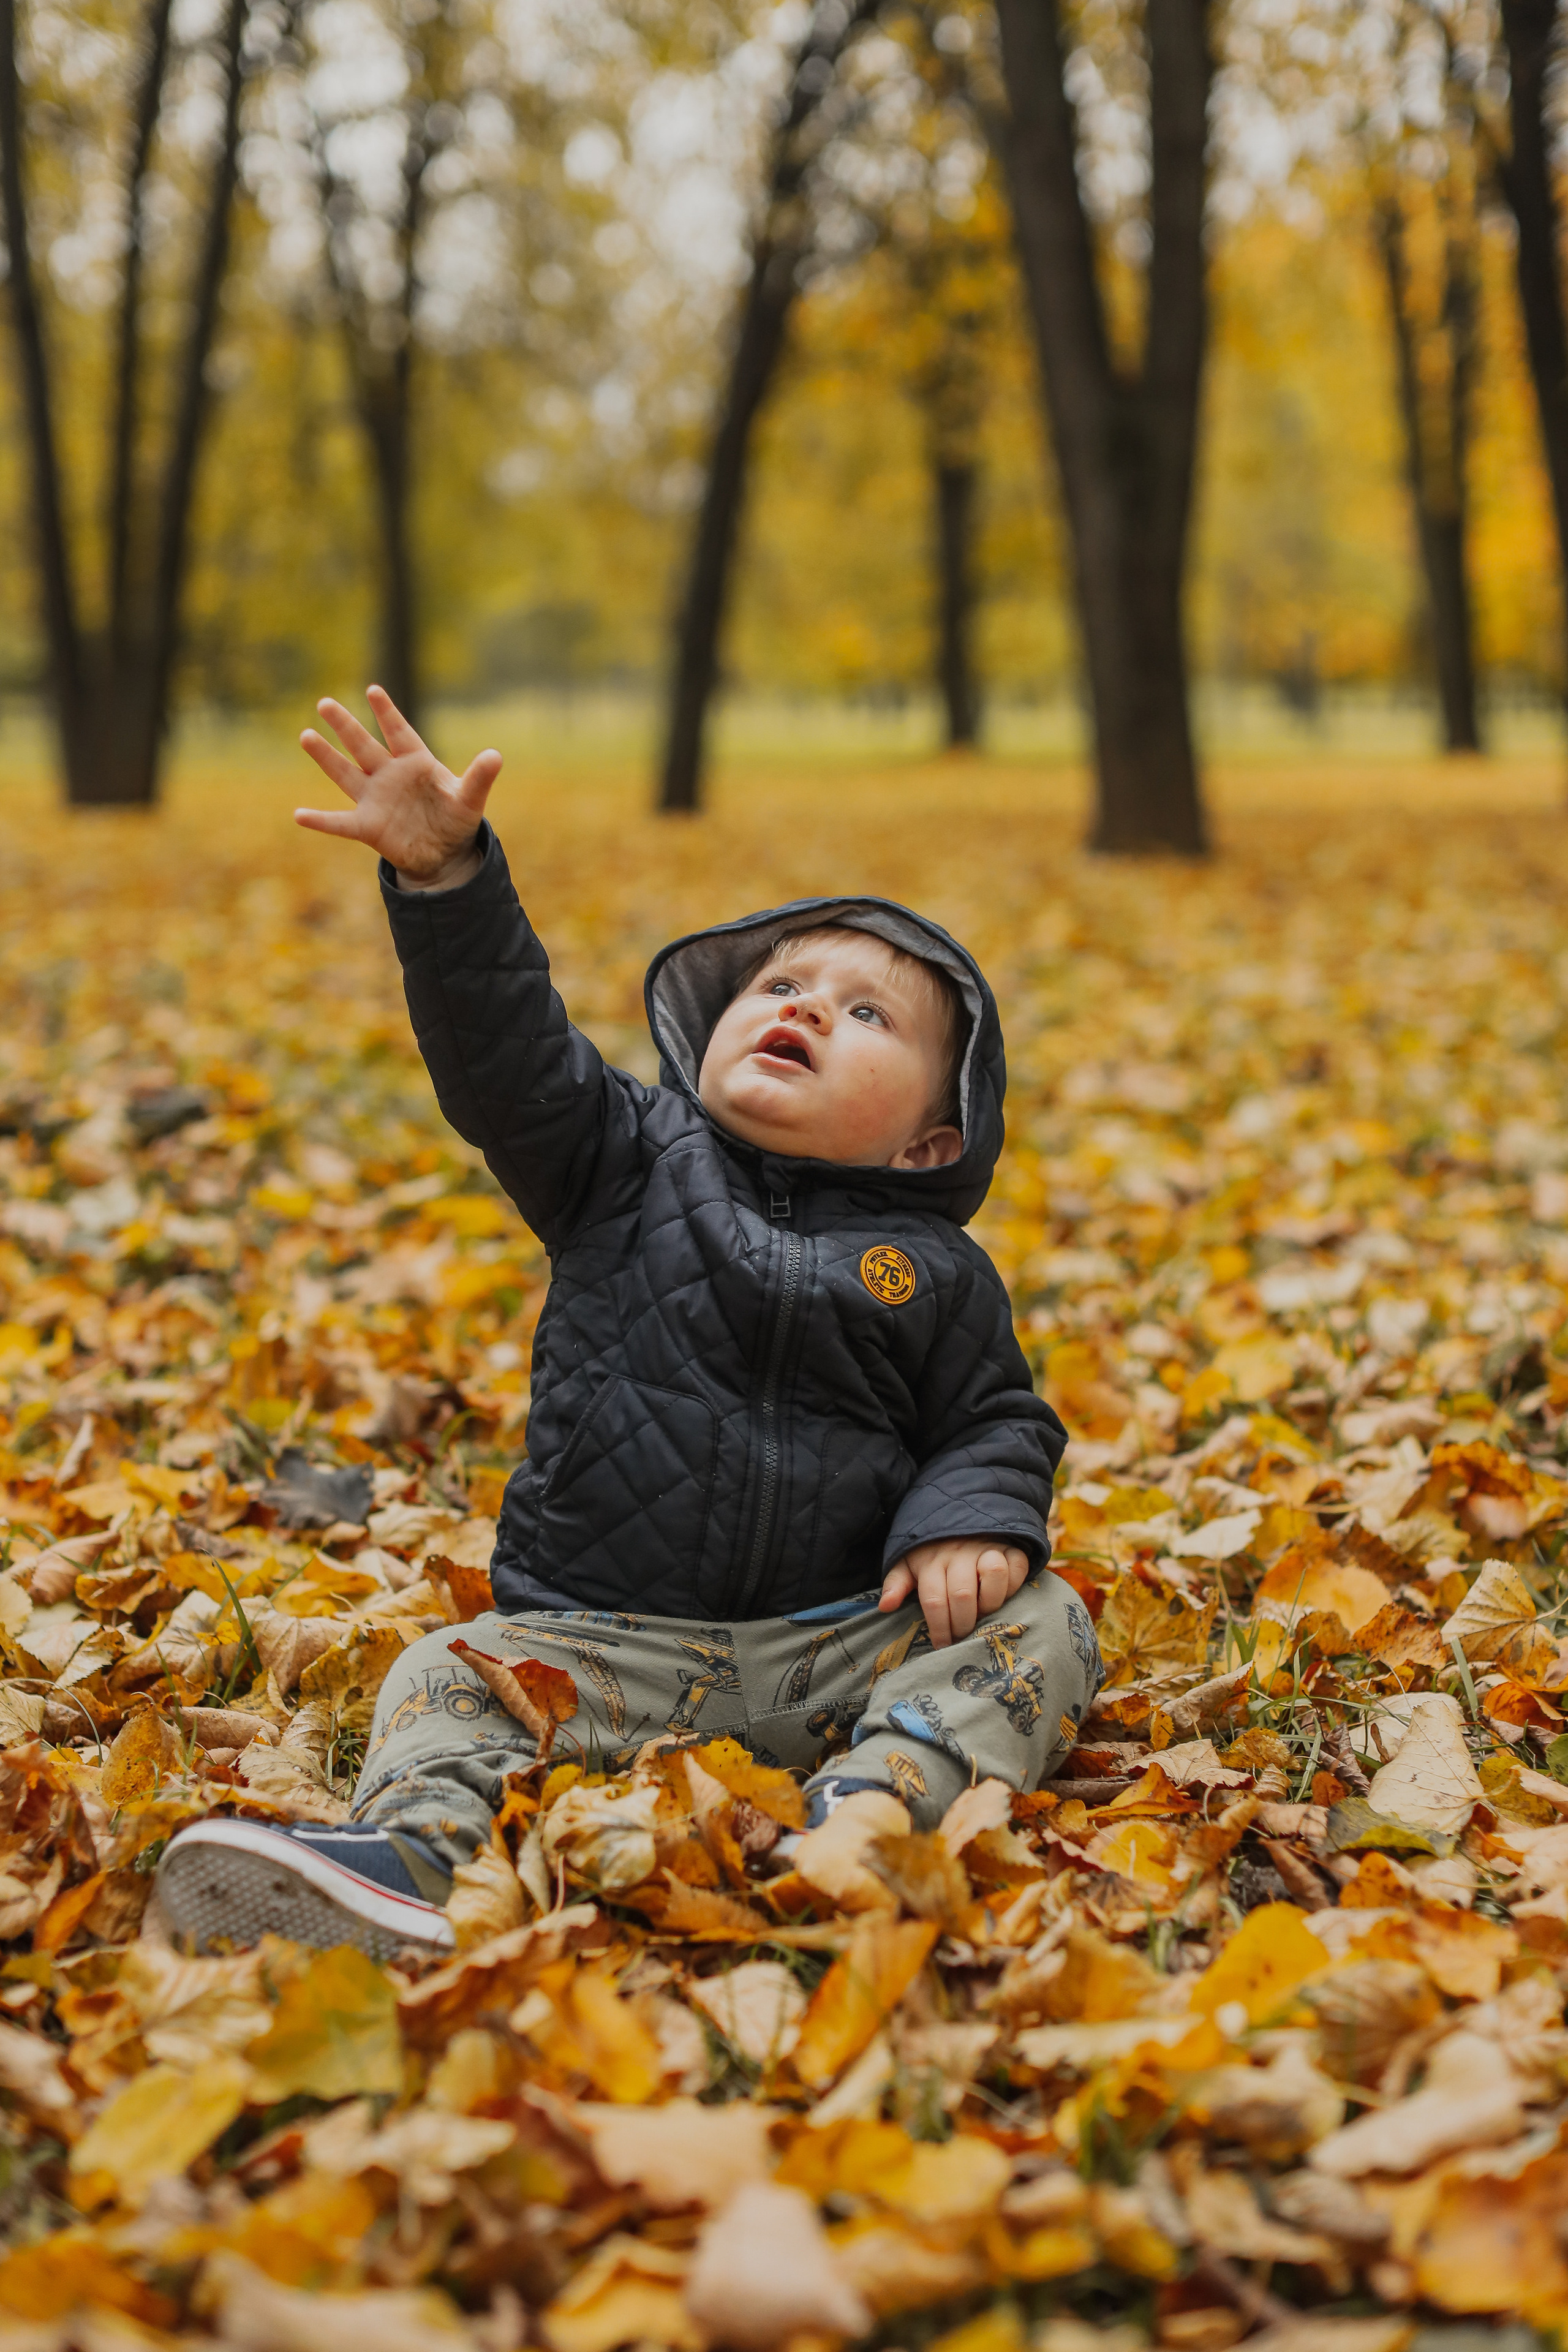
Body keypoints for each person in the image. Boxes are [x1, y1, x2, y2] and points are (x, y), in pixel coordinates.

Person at [157, 687, 1099, 1959]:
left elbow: (991, 1416)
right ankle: (415, 1860)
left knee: (1046, 1618)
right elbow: (509, 1059)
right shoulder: (622, 1158)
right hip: (605, 1645)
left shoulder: (932, 1269)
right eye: (782, 984)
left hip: (834, 1647)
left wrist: (972, 1523)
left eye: (866, 1014)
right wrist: (448, 884)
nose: (809, 1007)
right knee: (440, 1673)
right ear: (710, 1035)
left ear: (929, 1139)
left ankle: (875, 1808)